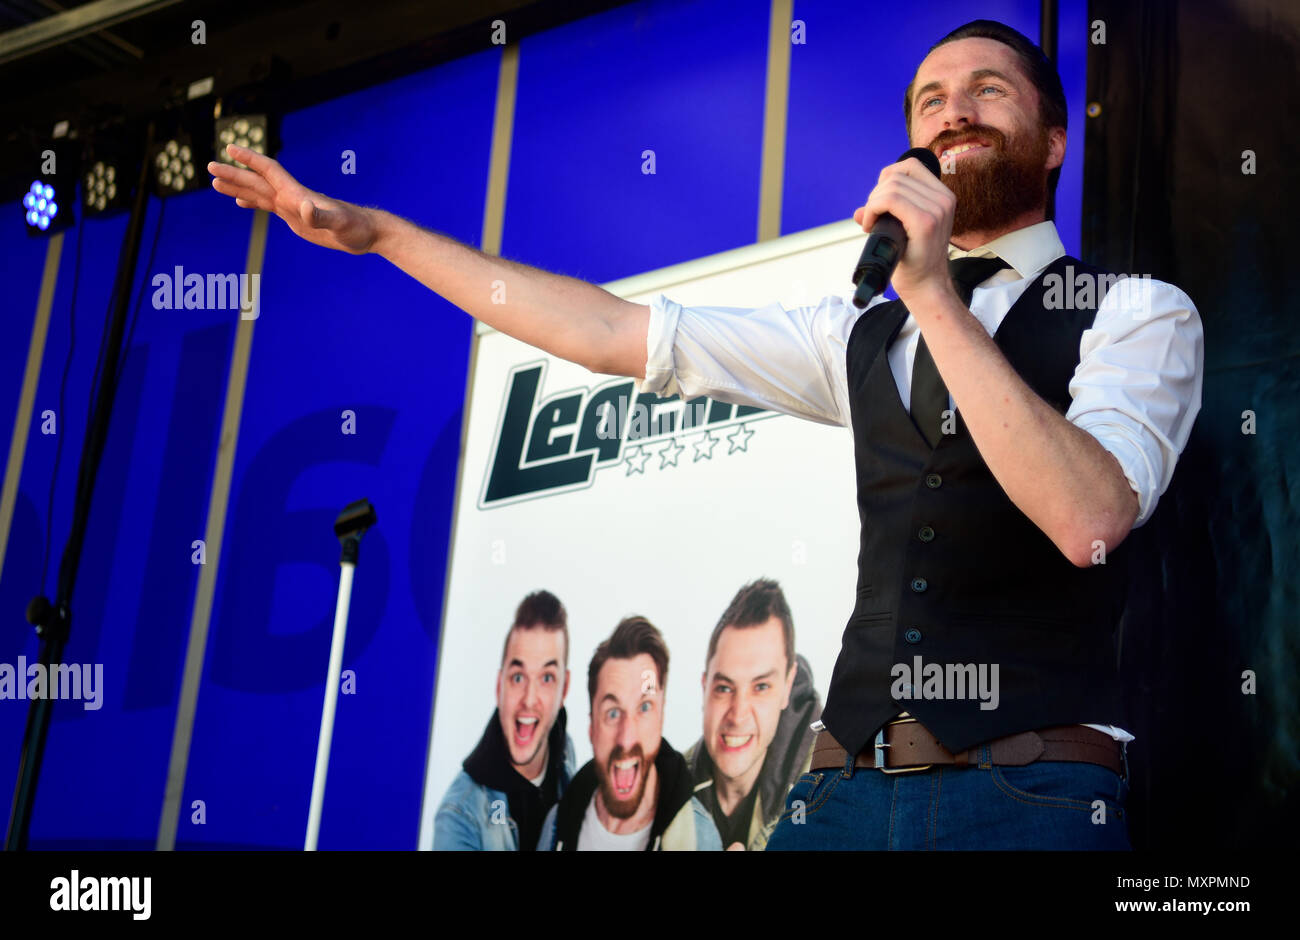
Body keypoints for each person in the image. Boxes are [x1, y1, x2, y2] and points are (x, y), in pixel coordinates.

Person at [208, 19, 1203, 850]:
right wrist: (381, 235)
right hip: (839, 797)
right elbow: (608, 332)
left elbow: (1089, 519)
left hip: (1027, 800)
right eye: (929, 100)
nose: (954, 109)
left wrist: (934, 294)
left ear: (1056, 136)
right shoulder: (857, 332)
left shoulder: (1131, 312)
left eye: (987, 90)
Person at [536, 616, 720, 850]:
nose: (626, 738)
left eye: (644, 708)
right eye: (612, 713)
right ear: (592, 726)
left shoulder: (700, 837)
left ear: (661, 717)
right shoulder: (555, 827)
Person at [682, 579, 821, 850]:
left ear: (787, 686)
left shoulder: (831, 793)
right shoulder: (670, 791)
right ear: (704, 686)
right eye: (724, 688)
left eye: (760, 687)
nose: (738, 714)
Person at [433, 591, 575, 850]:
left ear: (564, 690)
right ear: (500, 686)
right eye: (519, 677)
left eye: (546, 678)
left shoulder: (564, 751)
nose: (529, 699)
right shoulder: (458, 817)